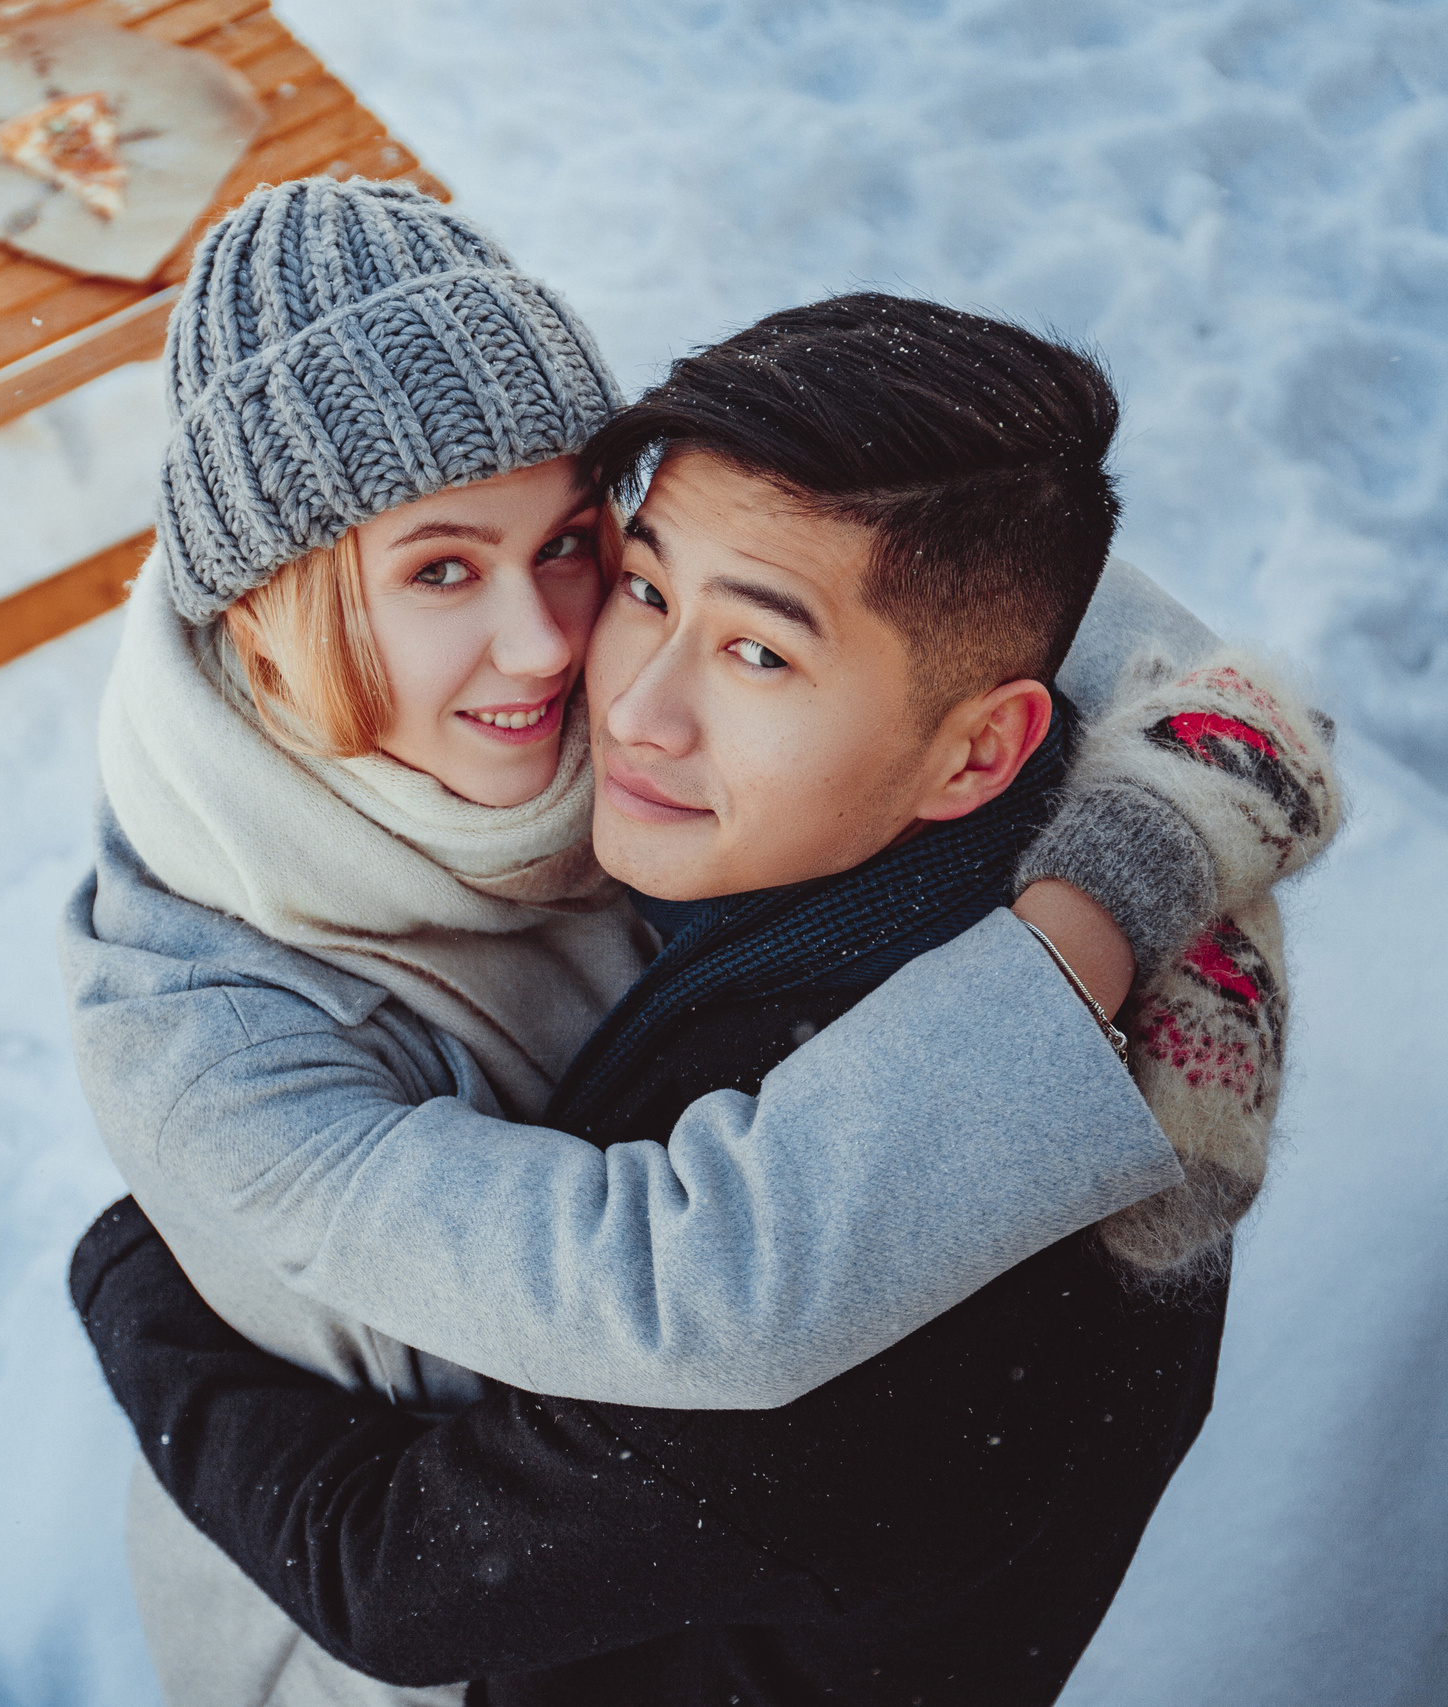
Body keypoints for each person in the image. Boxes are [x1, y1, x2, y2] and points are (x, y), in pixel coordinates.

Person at [70, 292, 1340, 1705]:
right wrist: (1172, 830)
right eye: (646, 585)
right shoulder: (961, 824)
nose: (621, 701)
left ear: (984, 751)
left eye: (756, 654)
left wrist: (134, 1288)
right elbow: (989, 542)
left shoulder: (883, 1223)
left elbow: (399, 1578)